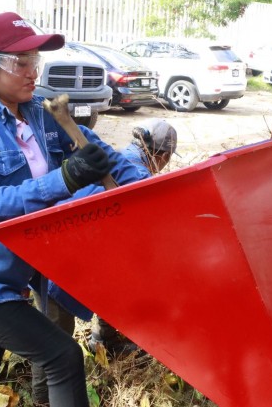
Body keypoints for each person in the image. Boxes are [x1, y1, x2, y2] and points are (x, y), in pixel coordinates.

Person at [0, 11, 140, 407]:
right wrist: (65, 179)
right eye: (21, 63)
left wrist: (145, 187)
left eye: (35, 62)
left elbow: (103, 156)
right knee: (62, 356)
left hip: (12, 273)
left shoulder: (41, 113)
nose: (31, 72)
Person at [31, 118, 178, 402]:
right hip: (61, 263)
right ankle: (40, 398)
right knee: (54, 343)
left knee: (118, 287)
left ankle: (103, 339)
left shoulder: (124, 158)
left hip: (68, 254)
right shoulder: (137, 173)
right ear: (162, 155)